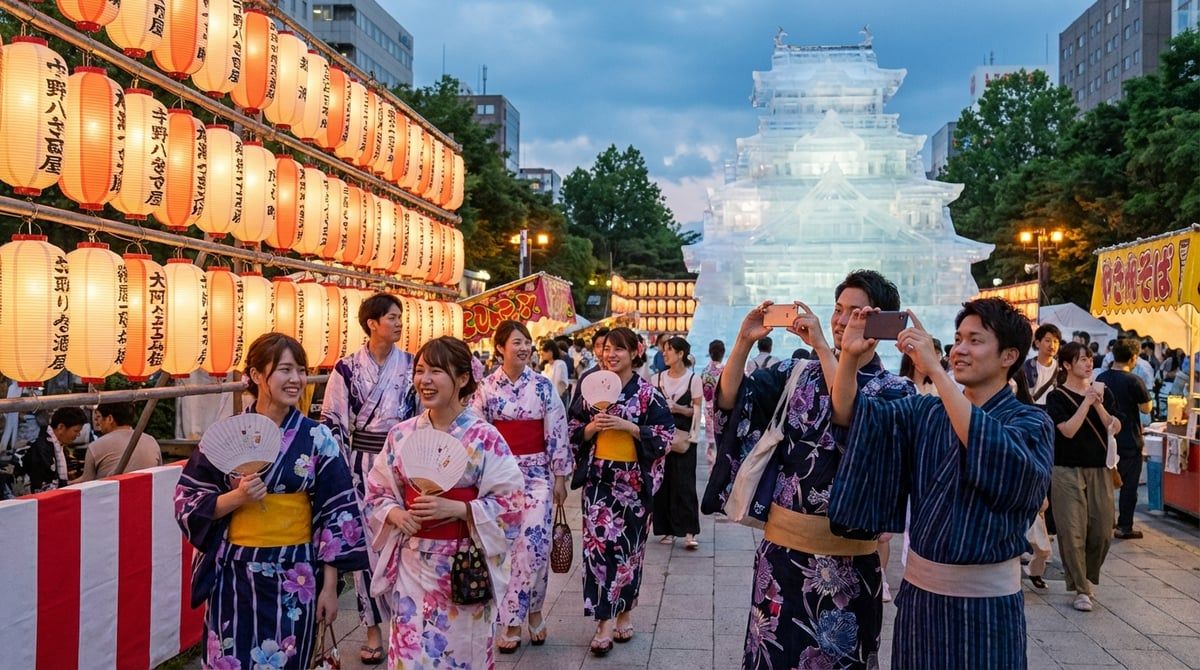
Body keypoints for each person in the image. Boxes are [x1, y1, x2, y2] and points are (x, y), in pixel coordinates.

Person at [704, 269, 915, 670]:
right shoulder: (795, 373)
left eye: (857, 312)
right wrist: (743, 343)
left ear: (881, 323)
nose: (842, 320)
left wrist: (825, 347)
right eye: (838, 310)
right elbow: (732, 403)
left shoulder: (895, 391)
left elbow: (848, 414)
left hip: (848, 568)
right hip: (781, 557)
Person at [829, 298, 1054, 669]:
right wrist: (850, 357)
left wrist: (936, 371)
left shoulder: (1030, 422)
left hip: (986, 612)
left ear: (1009, 356)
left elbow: (1009, 470)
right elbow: (851, 413)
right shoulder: (927, 412)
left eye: (975, 340)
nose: (960, 349)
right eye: (957, 338)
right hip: (921, 602)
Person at [175, 334, 367, 669]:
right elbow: (186, 499)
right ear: (257, 375)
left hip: (296, 575)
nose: (296, 379)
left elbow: (337, 514)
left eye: (300, 370)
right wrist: (236, 497)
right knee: (230, 659)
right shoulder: (226, 434)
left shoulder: (317, 438)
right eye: (285, 370)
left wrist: (331, 586)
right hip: (234, 573)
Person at [364, 336, 525, 669]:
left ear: (463, 378)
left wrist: (461, 509)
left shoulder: (484, 437)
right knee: (410, 656)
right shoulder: (401, 434)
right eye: (420, 370)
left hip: (462, 565)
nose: (424, 380)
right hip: (411, 561)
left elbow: (511, 503)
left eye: (436, 371)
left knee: (458, 655)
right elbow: (378, 491)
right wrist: (395, 513)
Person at [319, 293, 419, 665]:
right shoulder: (345, 369)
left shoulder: (412, 365)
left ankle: (403, 626)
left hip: (404, 464)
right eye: (392, 317)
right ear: (372, 323)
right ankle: (372, 628)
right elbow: (332, 422)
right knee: (367, 549)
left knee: (404, 544)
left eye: (399, 317)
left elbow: (423, 416)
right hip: (361, 464)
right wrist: (341, 474)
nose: (398, 323)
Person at [566, 326, 674, 657]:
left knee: (628, 552)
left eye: (620, 349)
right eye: (607, 349)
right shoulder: (588, 390)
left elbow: (666, 435)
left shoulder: (648, 393)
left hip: (634, 483)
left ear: (635, 352)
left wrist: (631, 427)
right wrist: (589, 429)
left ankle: (625, 611)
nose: (611, 355)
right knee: (597, 552)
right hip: (599, 480)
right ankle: (603, 622)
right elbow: (570, 430)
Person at [472, 320, 571, 652]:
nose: (525, 347)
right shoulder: (485, 389)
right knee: (502, 550)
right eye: (517, 342)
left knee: (534, 546)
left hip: (536, 476)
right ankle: (513, 616)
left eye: (527, 342)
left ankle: (528, 613)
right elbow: (477, 437)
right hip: (498, 479)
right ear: (500, 348)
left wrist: (560, 476)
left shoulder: (542, 387)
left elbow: (557, 432)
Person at [1045, 342, 1120, 610]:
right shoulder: (1056, 397)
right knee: (1072, 530)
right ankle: (1081, 588)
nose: (1088, 363)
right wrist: (1086, 402)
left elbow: (1114, 426)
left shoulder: (1103, 391)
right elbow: (1068, 430)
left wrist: (1097, 402)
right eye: (1082, 360)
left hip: (1100, 469)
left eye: (1089, 359)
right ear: (1066, 365)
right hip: (1065, 469)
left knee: (1102, 530)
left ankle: (1086, 576)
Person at [1097, 340, 1153, 540]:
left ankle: (1104, 523)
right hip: (1129, 440)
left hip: (1104, 439)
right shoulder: (1134, 380)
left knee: (1105, 485)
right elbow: (1146, 408)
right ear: (1133, 358)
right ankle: (1124, 526)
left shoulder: (1100, 378)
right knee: (1129, 487)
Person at [652, 336, 703, 550]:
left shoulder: (694, 379)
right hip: (662, 437)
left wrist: (678, 409)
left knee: (685, 483)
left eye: (669, 350)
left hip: (684, 437)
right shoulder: (656, 379)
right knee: (663, 483)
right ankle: (668, 529)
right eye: (664, 350)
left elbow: (698, 410)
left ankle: (689, 531)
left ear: (680, 354)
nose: (665, 353)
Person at [77, 401, 162, 481]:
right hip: (147, 493)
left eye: (98, 417)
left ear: (110, 419)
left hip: (111, 495)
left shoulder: (95, 447)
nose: (97, 423)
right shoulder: (151, 441)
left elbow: (86, 483)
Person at [19, 407, 87, 493]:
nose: (78, 435)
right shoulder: (41, 449)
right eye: (76, 431)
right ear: (61, 427)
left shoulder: (55, 444)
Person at [699, 339, 726, 466]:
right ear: (723, 352)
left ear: (710, 353)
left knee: (711, 441)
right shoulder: (726, 371)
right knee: (724, 440)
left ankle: (712, 469)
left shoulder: (704, 371)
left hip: (709, 409)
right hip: (724, 409)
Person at [1024, 324, 1062, 405]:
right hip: (1030, 410)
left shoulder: (1061, 369)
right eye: (1048, 340)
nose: (1052, 346)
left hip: (1052, 412)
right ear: (1037, 343)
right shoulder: (1026, 367)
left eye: (1055, 341)